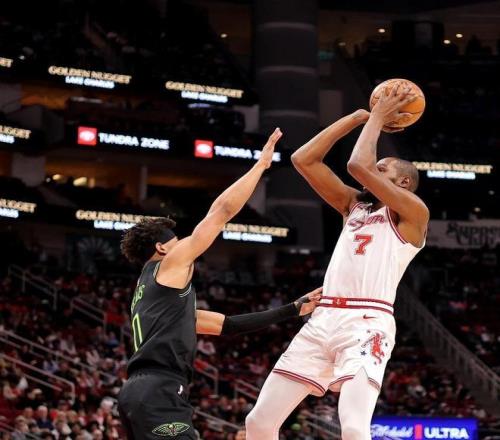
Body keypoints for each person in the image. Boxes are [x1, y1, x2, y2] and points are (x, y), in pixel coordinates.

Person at [246, 84, 429, 440]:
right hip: (323, 318)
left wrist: (377, 118)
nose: (374, 170)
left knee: (354, 427)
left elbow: (357, 165)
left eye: (383, 169)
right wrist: (357, 118)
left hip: (368, 322)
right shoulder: (353, 206)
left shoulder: (414, 213)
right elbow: (303, 159)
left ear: (404, 183)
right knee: (259, 422)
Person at [117, 128, 322, 440]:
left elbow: (228, 325)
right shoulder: (168, 264)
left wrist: (292, 310)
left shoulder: (155, 297)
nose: (186, 246)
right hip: (159, 389)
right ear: (161, 248)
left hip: (137, 392)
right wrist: (261, 165)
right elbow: (221, 212)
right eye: (177, 241)